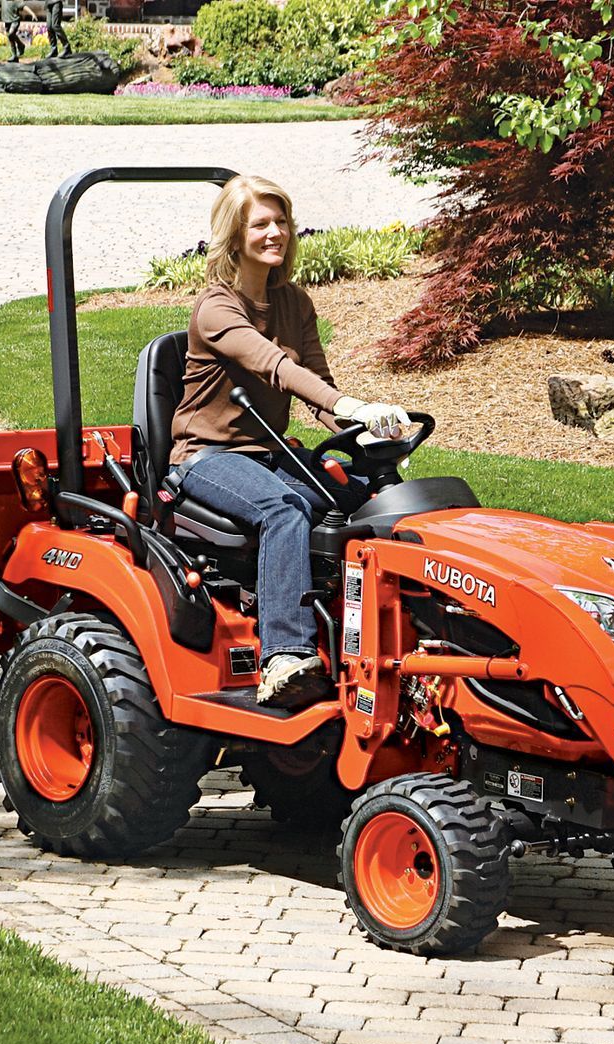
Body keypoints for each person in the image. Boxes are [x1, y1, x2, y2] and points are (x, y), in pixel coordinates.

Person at [170, 175, 409, 709]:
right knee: (284, 511)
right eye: (261, 224)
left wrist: (363, 424)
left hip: (272, 451)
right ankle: (284, 654)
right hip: (207, 456)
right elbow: (272, 366)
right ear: (235, 235)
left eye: (281, 222)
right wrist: (352, 408)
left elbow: (319, 391)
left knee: (368, 501)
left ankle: (378, 637)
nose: (274, 232)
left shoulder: (295, 303)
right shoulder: (216, 308)